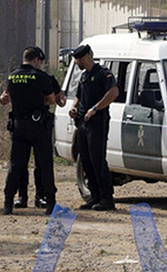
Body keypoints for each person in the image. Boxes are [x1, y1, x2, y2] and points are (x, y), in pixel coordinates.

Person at [0, 46, 56, 215]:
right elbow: (51, 100)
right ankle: (50, 204)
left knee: (16, 166)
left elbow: (5, 98)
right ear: (36, 60)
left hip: (18, 126)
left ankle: (8, 203)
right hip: (38, 126)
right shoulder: (41, 77)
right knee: (45, 165)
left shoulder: (12, 77)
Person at [69, 44, 119, 211]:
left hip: (98, 122)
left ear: (89, 56)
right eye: (77, 59)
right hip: (83, 123)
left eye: (81, 59)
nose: (78, 62)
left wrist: (96, 108)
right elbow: (78, 96)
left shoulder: (103, 74)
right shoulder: (84, 76)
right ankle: (95, 196)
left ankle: (107, 198)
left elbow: (113, 92)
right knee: (86, 160)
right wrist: (74, 108)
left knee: (97, 159)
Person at [14, 69, 66, 209]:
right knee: (21, 164)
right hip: (23, 124)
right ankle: (22, 197)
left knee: (41, 164)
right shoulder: (17, 77)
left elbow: (60, 101)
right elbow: (5, 97)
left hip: (40, 124)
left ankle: (40, 196)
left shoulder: (47, 78)